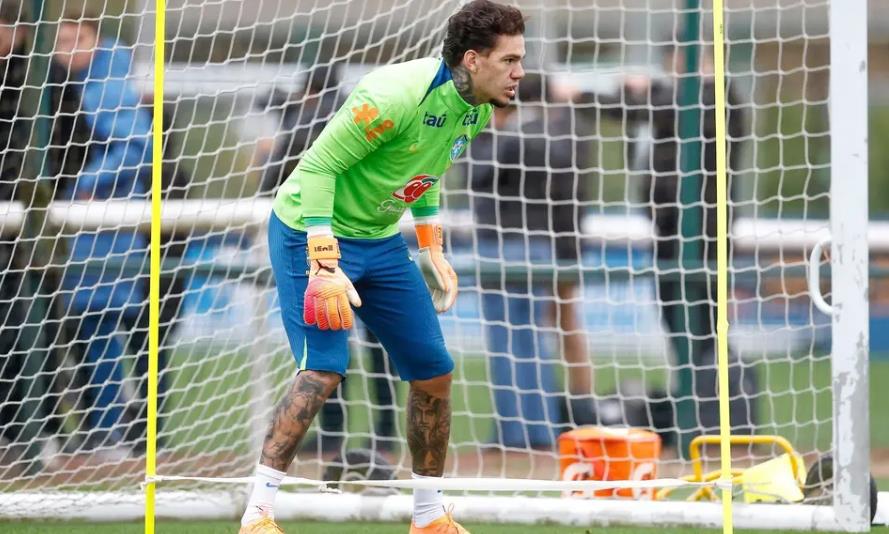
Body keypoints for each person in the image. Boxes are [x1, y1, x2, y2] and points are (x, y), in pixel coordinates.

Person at [241, 1, 525, 533]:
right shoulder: (394, 94)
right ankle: (256, 514)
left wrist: (431, 245)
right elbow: (318, 167)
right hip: (310, 230)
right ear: (473, 59)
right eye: (510, 59)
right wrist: (323, 257)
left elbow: (424, 170)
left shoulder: (478, 109)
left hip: (379, 239)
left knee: (433, 371)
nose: (519, 72)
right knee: (323, 369)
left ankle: (429, 517)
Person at [574, 42, 757, 439]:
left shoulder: (718, 97)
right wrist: (626, 92)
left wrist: (637, 90)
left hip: (704, 235)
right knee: (677, 323)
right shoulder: (673, 97)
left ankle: (716, 419)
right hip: (669, 232)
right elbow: (640, 109)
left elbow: (666, 106)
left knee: (704, 328)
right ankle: (697, 412)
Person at [258, 66, 398, 455]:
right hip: (370, 233)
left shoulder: (307, 119)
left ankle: (334, 431)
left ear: (309, 90)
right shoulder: (357, 114)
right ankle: (385, 430)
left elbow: (277, 174)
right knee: (378, 345)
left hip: (325, 241)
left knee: (328, 341)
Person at [468, 72, 593, 450]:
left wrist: (489, 135)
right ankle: (538, 430)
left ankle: (513, 433)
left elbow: (477, 174)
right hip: (541, 246)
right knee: (533, 339)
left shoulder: (507, 136)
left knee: (507, 341)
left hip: (503, 246)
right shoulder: (555, 133)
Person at [51, 10, 153, 454]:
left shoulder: (107, 86)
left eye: (78, 40)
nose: (68, 50)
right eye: (61, 42)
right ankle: (98, 426)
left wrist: (86, 184)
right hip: (80, 226)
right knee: (84, 330)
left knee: (100, 326)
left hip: (105, 228)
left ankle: (109, 430)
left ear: (97, 40)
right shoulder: (70, 85)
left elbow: (139, 147)